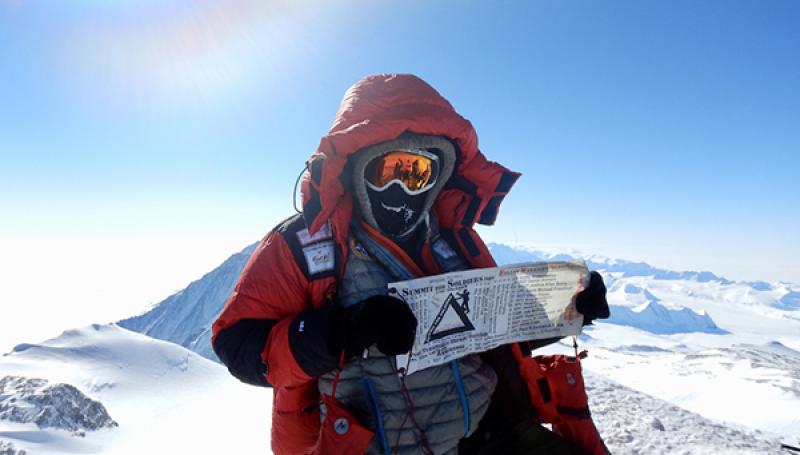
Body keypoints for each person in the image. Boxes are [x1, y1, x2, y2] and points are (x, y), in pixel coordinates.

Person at [212, 74, 610, 455]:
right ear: (356, 169)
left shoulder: (454, 240)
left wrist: (571, 306)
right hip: (373, 444)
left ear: (439, 179)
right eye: (388, 171)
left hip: (486, 428)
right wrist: (341, 334)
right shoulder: (305, 244)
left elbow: (496, 323)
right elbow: (238, 345)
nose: (401, 189)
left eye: (418, 173)